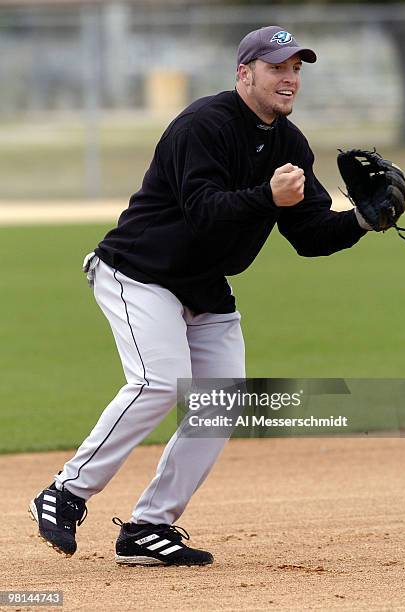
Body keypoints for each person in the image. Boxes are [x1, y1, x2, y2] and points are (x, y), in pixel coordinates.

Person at [29, 25, 369, 567]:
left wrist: (362, 220)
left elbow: (309, 235)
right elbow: (204, 210)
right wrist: (268, 196)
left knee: (220, 401)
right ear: (244, 72)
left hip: (204, 285)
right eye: (277, 67)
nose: (289, 78)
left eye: (296, 69)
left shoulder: (290, 144)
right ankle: (65, 492)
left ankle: (148, 527)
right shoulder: (203, 125)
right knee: (157, 383)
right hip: (138, 271)